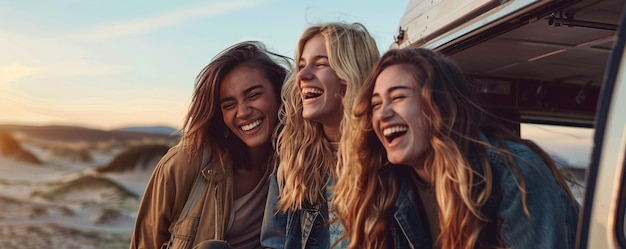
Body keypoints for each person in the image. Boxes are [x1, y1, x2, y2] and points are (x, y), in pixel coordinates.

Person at [333, 48, 580, 249]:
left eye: (398, 97)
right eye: (376, 104)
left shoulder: (513, 175)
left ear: (439, 105)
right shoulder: (387, 185)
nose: (383, 113)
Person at [129, 41, 290, 249]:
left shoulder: (297, 161)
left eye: (253, 95)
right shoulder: (186, 162)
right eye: (229, 105)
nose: (242, 112)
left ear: (280, 94)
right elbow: (145, 243)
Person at [261, 22, 380, 249]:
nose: (302, 75)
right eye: (302, 65)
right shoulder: (293, 165)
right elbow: (273, 243)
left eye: (321, 64)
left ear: (353, 73)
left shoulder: (389, 161)